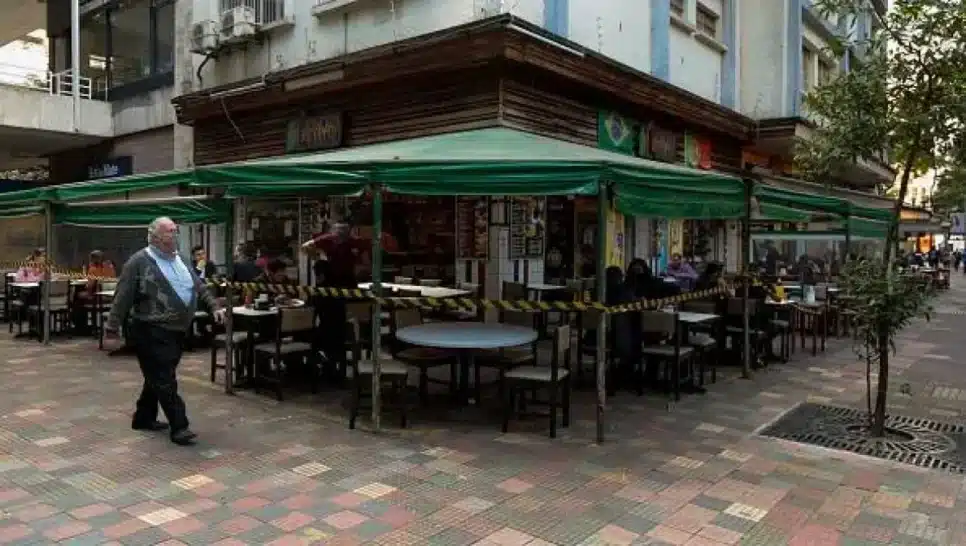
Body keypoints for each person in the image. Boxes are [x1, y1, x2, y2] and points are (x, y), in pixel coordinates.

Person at [106, 217, 225, 446]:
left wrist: (214, 306)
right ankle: (180, 426)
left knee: (158, 376)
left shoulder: (182, 259)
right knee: (164, 378)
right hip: (150, 330)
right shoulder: (138, 262)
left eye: (175, 231)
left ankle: (143, 417)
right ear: (155, 237)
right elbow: (122, 297)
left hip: (178, 330)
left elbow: (198, 286)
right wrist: (112, 328)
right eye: (170, 231)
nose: (175, 235)